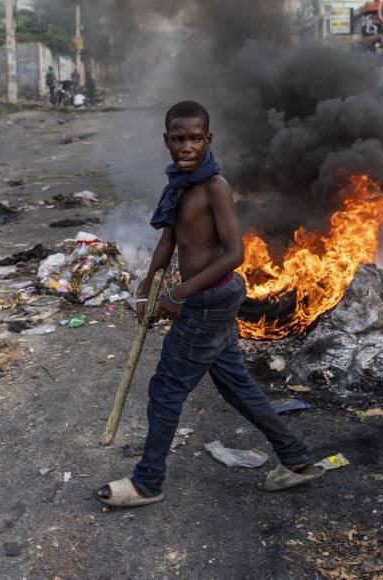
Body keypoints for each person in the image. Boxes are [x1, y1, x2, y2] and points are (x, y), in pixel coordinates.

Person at [95, 101, 321, 508]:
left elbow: (235, 254)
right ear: (166, 141)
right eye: (178, 139)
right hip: (208, 300)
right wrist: (147, 291)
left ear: (208, 140)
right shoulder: (178, 185)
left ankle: (148, 483)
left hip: (206, 302)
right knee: (237, 385)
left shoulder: (214, 186)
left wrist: (178, 294)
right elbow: (168, 241)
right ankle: (297, 459)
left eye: (195, 139)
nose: (186, 146)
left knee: (165, 391)